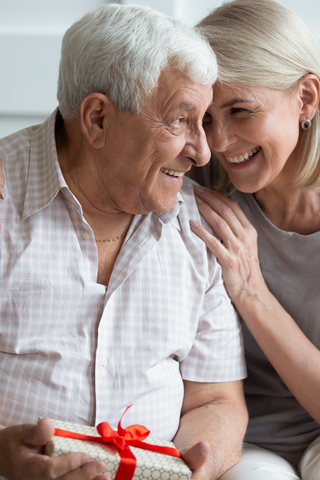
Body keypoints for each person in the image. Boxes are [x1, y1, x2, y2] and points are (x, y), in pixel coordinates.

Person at [0, 4, 248, 480]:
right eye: (181, 120)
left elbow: (217, 399)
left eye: (205, 122)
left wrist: (192, 467)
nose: (201, 151)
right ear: (97, 119)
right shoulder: (6, 197)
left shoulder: (200, 226)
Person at [187, 0, 320, 479]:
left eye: (240, 110)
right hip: (241, 439)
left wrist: (250, 291)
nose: (218, 142)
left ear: (305, 97)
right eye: (205, 117)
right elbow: (99, 126)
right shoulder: (195, 174)